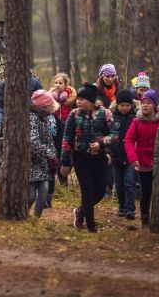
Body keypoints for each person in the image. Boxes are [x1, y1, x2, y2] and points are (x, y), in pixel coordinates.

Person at [60, 83, 117, 232]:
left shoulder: (105, 114)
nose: (78, 102)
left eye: (83, 99)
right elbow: (67, 139)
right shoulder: (74, 114)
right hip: (81, 158)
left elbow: (115, 135)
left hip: (100, 158)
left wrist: (101, 143)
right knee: (87, 191)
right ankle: (90, 226)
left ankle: (80, 211)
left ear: (91, 101)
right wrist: (65, 162)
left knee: (99, 192)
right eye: (78, 99)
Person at [125, 89, 159, 226]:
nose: (145, 105)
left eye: (148, 103)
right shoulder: (137, 121)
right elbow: (129, 140)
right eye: (143, 103)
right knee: (146, 190)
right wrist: (132, 158)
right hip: (143, 162)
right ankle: (145, 216)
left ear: (155, 106)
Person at [27, 90, 59, 218]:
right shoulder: (32, 118)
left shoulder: (46, 119)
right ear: (43, 106)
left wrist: (53, 156)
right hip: (31, 162)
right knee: (31, 195)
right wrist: (48, 154)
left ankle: (36, 218)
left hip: (44, 163)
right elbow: (33, 141)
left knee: (44, 190)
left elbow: (50, 140)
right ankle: (23, 214)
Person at [110, 89, 137, 219]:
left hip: (130, 157)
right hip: (116, 156)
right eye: (122, 105)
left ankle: (130, 208)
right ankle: (122, 206)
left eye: (127, 105)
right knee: (119, 184)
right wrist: (109, 151)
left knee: (129, 182)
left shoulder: (135, 118)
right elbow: (108, 135)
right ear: (117, 104)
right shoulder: (112, 117)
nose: (125, 108)